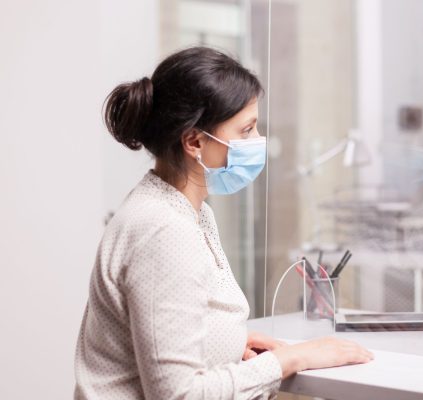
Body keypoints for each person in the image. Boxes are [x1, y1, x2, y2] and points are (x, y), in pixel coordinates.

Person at [74, 47, 372, 400]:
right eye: (246, 130)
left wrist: (229, 343)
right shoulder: (163, 230)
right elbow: (179, 395)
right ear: (194, 141)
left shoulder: (189, 212)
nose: (258, 141)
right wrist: (291, 359)